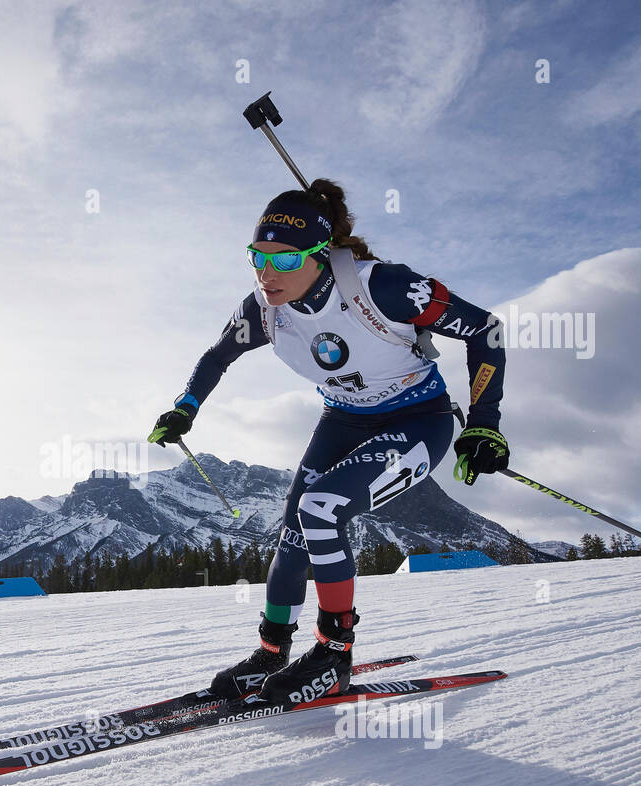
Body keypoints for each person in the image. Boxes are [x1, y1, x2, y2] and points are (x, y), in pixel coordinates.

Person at [147, 180, 509, 705]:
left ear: (322, 255)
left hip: (416, 420)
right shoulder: (262, 309)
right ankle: (272, 654)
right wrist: (185, 408)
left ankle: (334, 653)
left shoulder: (382, 288)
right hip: (342, 419)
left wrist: (485, 423)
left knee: (322, 509)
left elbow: (487, 330)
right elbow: (217, 356)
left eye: (286, 261)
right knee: (295, 528)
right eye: (258, 258)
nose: (269, 275)